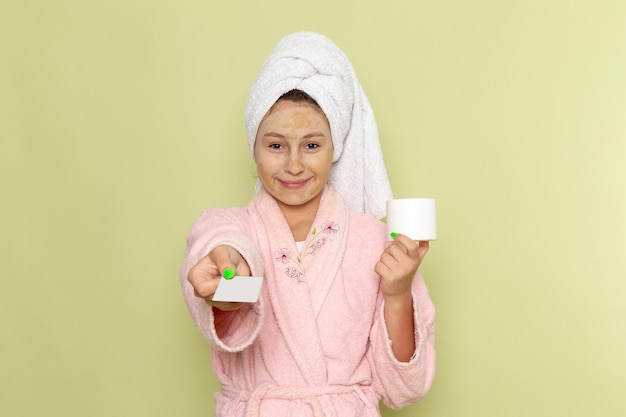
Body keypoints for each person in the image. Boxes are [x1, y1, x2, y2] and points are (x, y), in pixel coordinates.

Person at [180, 32, 435, 417]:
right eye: (276, 145)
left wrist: (398, 293)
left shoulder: (374, 240)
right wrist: (230, 279)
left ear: (335, 150)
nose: (294, 165)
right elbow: (224, 260)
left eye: (312, 145)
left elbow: (404, 390)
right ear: (254, 147)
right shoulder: (235, 230)